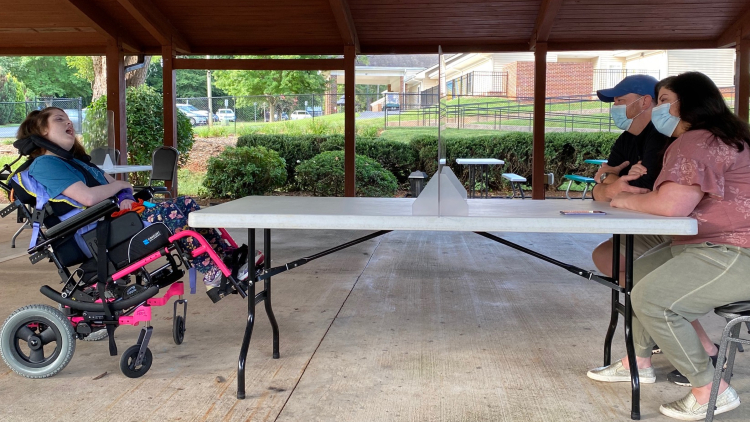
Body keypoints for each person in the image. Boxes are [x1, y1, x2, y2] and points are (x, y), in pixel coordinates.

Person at [588, 71, 750, 420]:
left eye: (664, 101)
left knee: (652, 298)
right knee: (637, 271)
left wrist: (622, 200)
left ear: (688, 104)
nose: (660, 110)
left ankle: (711, 389)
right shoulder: (715, 137)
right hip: (707, 243)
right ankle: (639, 360)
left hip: (735, 249)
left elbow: (671, 204)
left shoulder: (697, 140)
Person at [13, 107, 261, 303]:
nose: (69, 123)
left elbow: (118, 186)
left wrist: (125, 196)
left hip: (110, 222)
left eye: (68, 119)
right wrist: (120, 189)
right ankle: (212, 273)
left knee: (186, 202)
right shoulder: (45, 165)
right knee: (173, 217)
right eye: (59, 119)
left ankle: (226, 259)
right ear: (40, 132)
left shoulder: (78, 163)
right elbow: (88, 198)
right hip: (90, 234)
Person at [592, 76, 718, 387]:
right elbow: (603, 187)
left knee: (642, 282)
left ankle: (703, 354)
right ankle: (643, 352)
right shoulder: (631, 138)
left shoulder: (677, 140)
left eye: (620, 100)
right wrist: (612, 187)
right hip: (673, 224)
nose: (615, 107)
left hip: (703, 234)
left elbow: (659, 199)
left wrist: (614, 189)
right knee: (612, 260)